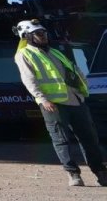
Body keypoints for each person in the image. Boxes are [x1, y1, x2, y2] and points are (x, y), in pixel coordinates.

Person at [14, 19, 107, 187]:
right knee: (61, 140)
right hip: (53, 104)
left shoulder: (55, 52)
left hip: (75, 100)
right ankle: (73, 174)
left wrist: (81, 90)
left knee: (90, 138)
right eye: (39, 34)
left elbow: (74, 70)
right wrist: (42, 99)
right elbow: (29, 79)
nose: (43, 36)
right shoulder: (25, 54)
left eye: (44, 33)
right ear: (27, 36)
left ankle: (100, 172)